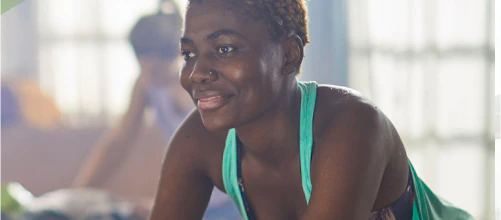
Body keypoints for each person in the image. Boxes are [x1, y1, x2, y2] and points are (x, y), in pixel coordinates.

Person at [149, 0, 473, 219]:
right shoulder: (200, 140)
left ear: (290, 55)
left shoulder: (353, 126)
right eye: (189, 54)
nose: (196, 73)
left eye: (224, 49)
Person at [72, 5, 239, 220]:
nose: (150, 75)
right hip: (195, 199)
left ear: (180, 55)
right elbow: (119, 141)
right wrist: (77, 193)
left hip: (232, 200)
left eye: (157, 69)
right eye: (143, 67)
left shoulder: (209, 83)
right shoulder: (146, 85)